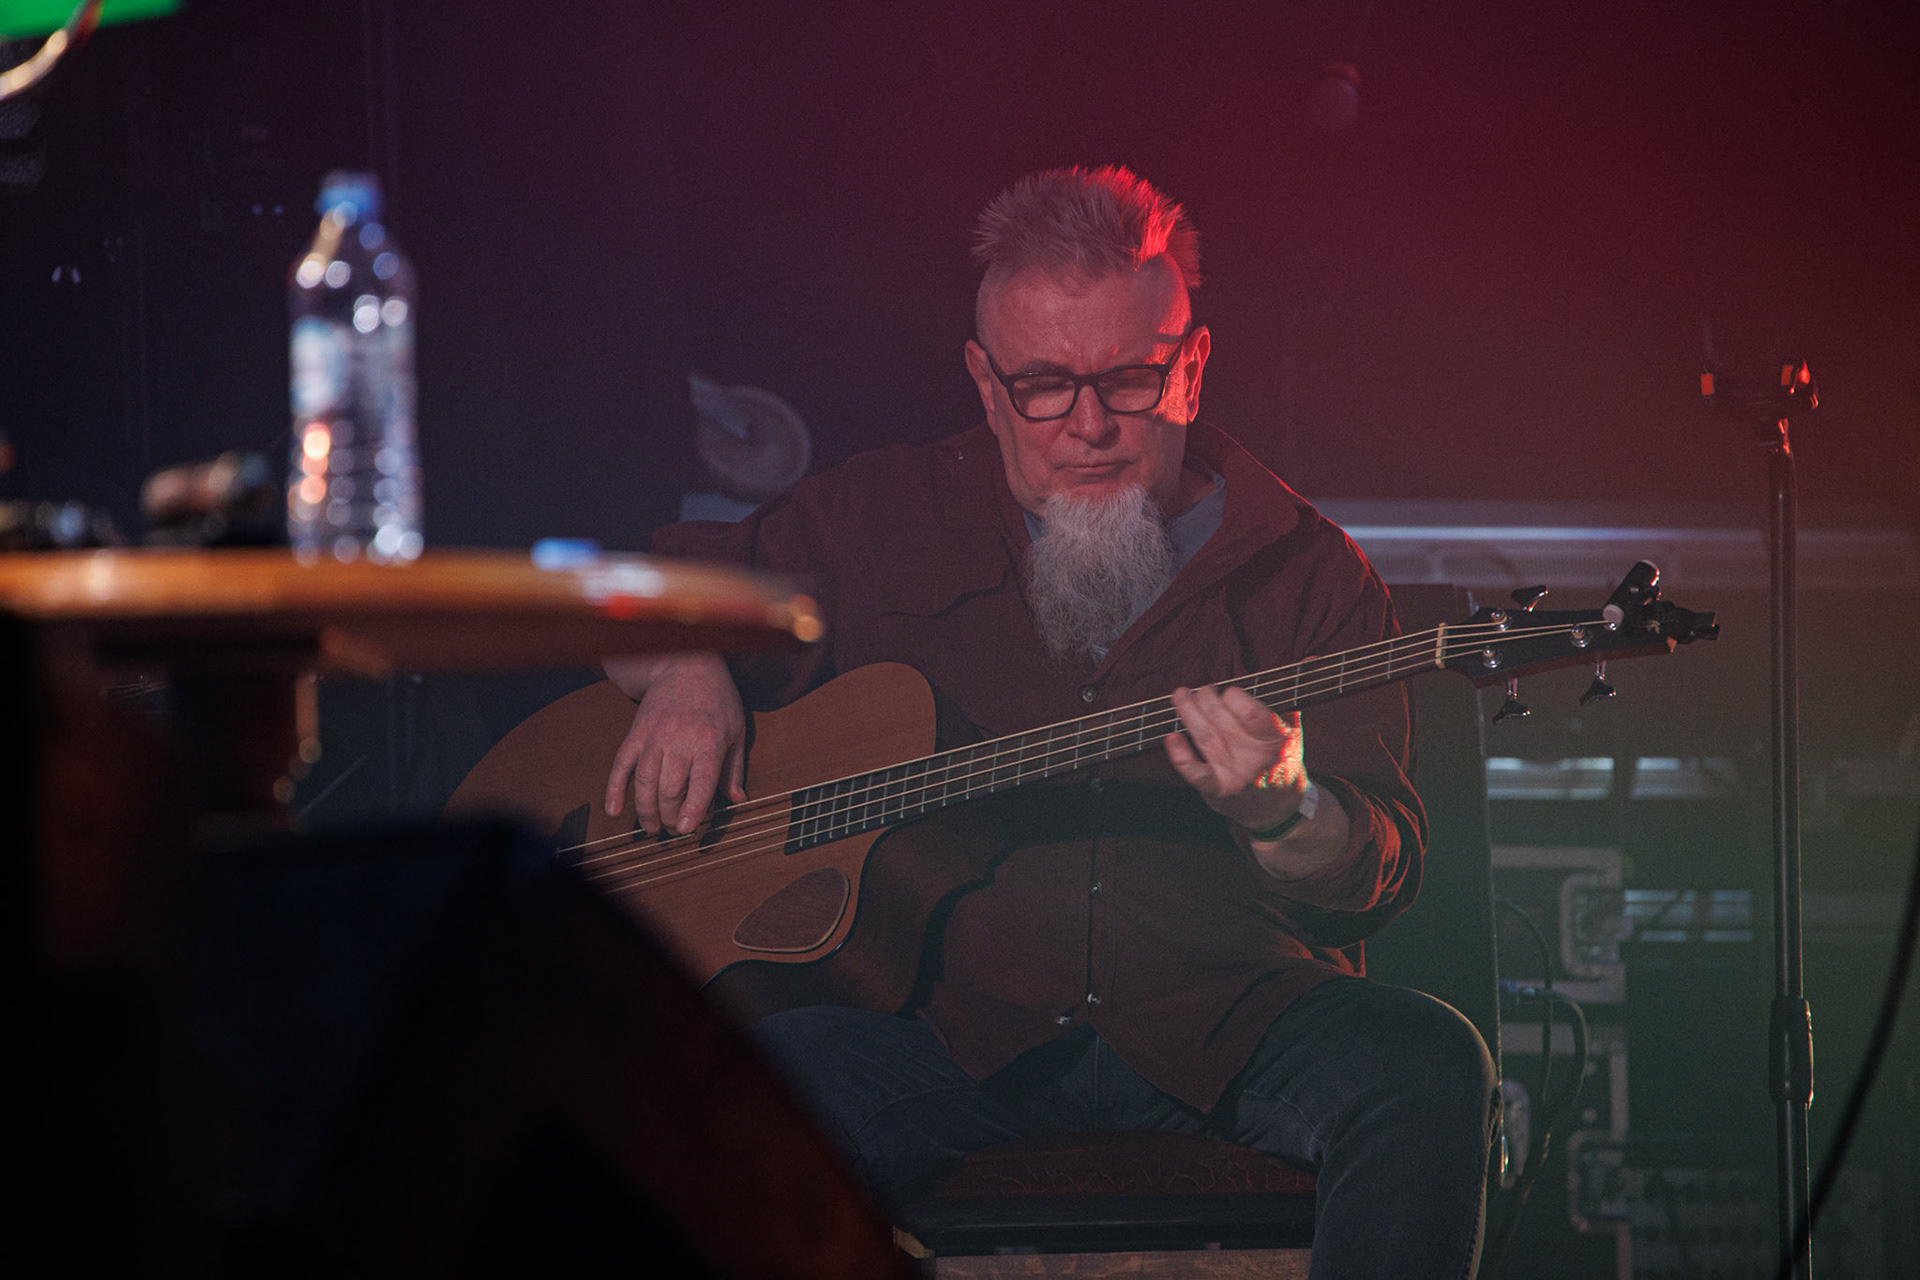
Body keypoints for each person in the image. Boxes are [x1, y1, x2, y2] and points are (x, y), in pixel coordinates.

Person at [603, 166, 1499, 1277]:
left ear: (1192, 364)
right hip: (942, 1033)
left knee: (1428, 1064)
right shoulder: (878, 515)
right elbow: (629, 585)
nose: (1087, 425)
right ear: (984, 383)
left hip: (1226, 1025)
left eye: (1128, 379)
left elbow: (1379, 869)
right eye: (1041, 384)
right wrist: (688, 670)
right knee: (749, 1084)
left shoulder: (1306, 569)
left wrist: (1286, 811)